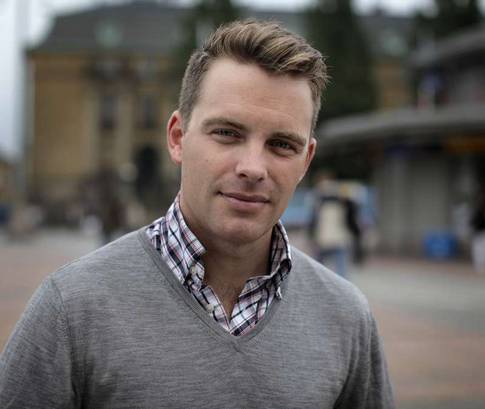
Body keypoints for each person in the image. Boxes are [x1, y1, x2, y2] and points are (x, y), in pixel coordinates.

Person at [0, 20, 395, 408]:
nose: (253, 168)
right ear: (177, 138)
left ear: (306, 161)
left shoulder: (346, 317)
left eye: (281, 144)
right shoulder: (72, 308)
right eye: (227, 133)